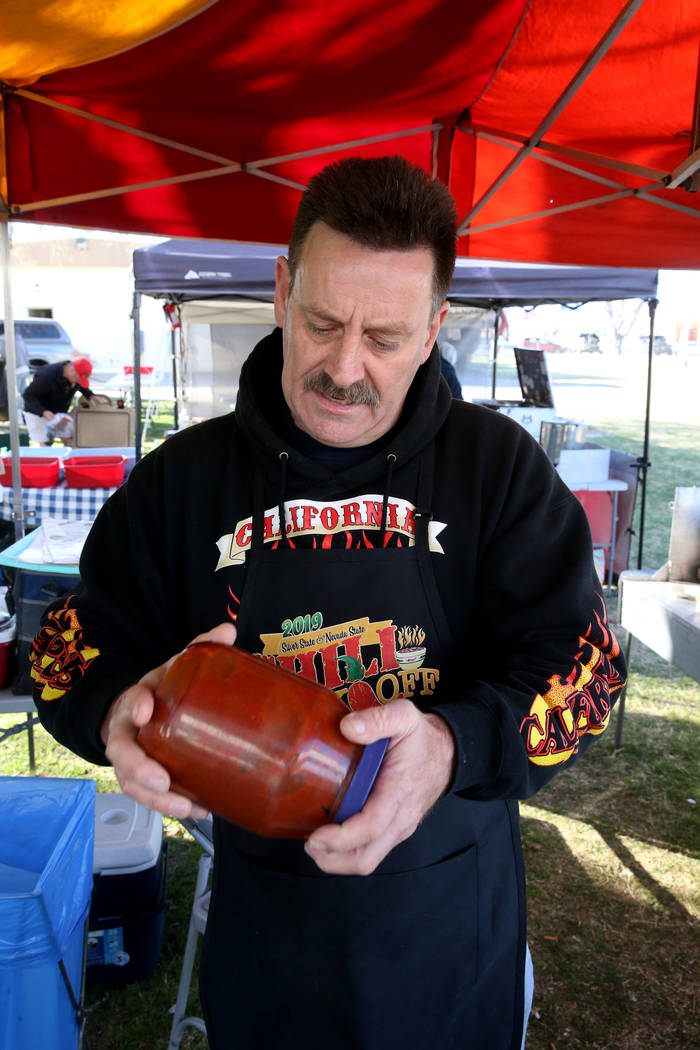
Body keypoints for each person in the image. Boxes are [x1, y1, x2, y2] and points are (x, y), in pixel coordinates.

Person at [30, 156, 626, 1050]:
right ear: (281, 291)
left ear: (433, 331)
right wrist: (118, 711)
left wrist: (455, 741)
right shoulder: (179, 484)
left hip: (449, 912)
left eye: (384, 337)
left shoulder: (498, 473)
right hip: (266, 920)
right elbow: (67, 652)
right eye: (322, 322)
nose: (344, 368)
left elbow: (586, 672)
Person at [22, 357, 103, 444]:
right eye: (78, 379)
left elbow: (81, 385)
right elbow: (28, 395)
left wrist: (90, 395)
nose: (78, 382)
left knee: (68, 439)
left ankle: (68, 454)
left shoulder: (74, 377)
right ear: (72, 371)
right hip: (38, 413)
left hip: (58, 414)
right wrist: (43, 411)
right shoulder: (47, 375)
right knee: (45, 444)